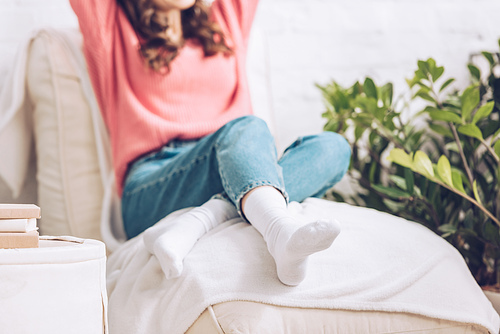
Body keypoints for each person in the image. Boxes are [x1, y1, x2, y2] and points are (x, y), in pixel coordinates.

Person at [70, 0, 351, 286]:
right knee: (248, 126)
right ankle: (279, 230)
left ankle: (211, 214)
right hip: (156, 181)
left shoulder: (226, 20)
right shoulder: (112, 27)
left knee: (334, 148)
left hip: (239, 162)